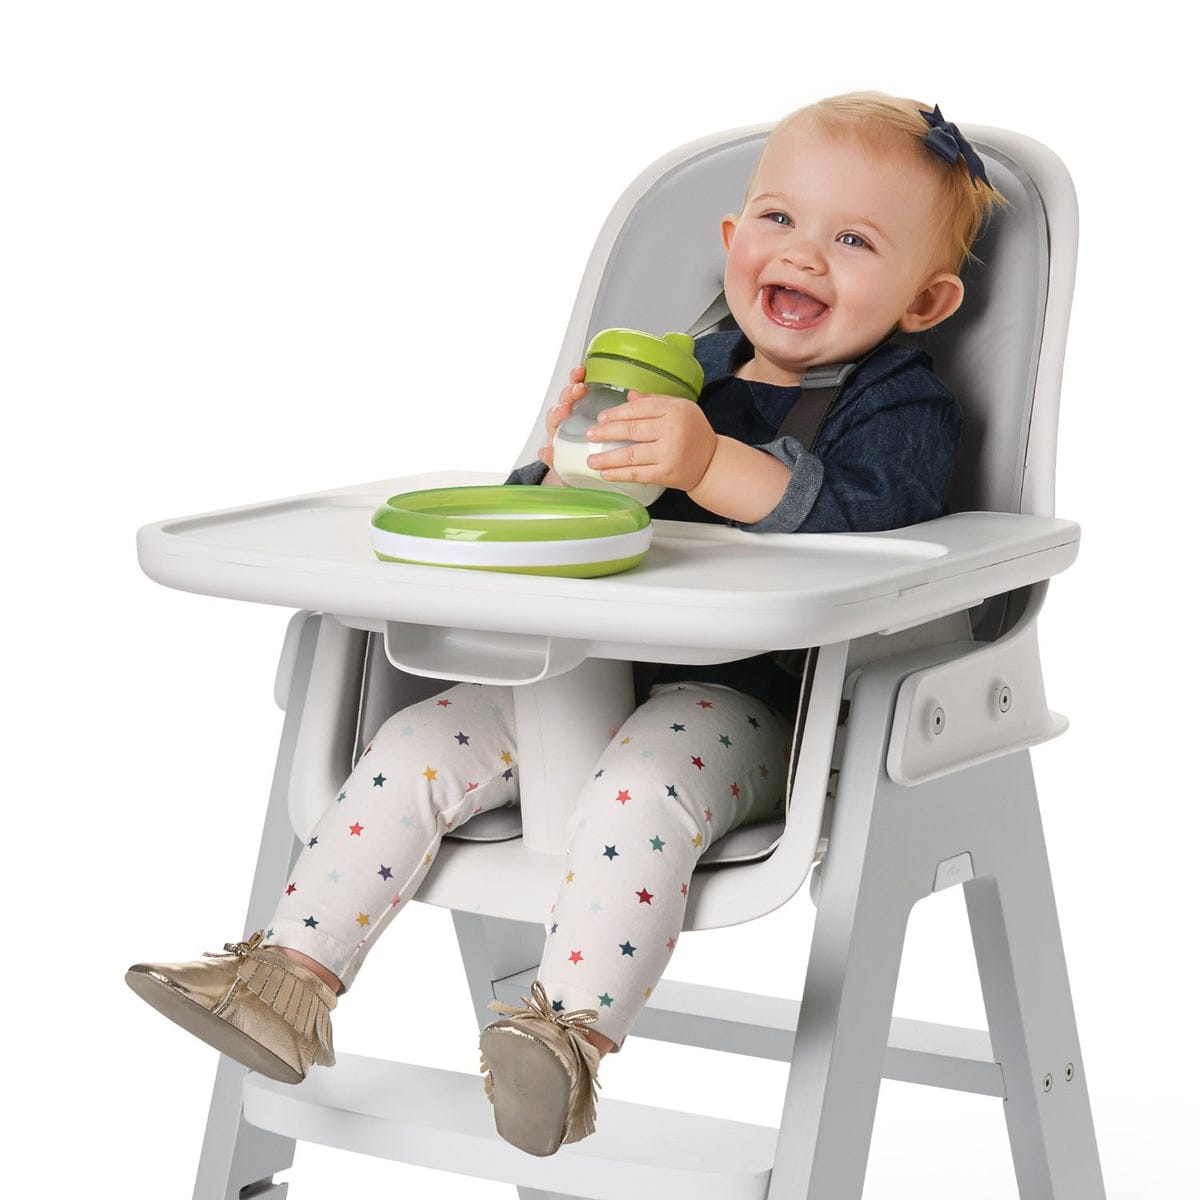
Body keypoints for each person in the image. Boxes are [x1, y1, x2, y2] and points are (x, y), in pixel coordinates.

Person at [125, 91, 1003, 1158]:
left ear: (926, 300)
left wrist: (706, 463)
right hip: (573, 676)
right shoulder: (687, 369)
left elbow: (869, 521)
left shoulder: (898, 403)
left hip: (754, 705)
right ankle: (285, 984)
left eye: (854, 240)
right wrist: (566, 463)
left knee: (640, 787)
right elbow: (559, 528)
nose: (804, 253)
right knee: (408, 744)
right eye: (779, 219)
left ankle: (565, 1039)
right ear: (733, 237)